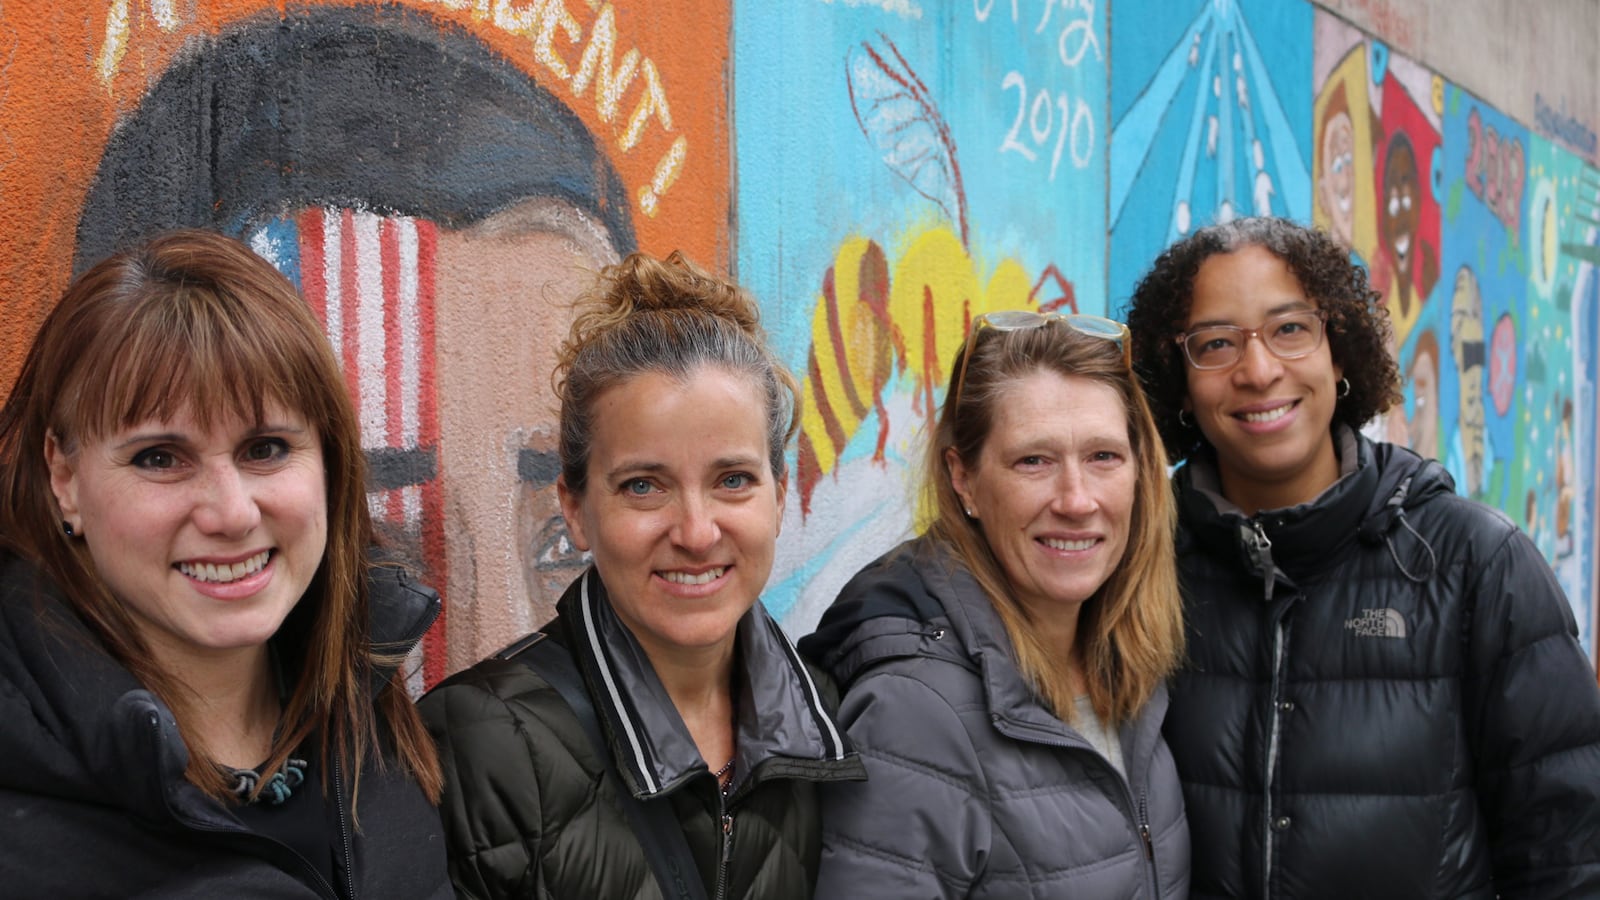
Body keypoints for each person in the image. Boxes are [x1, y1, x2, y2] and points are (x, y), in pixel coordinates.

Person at [1124, 215, 1600, 899]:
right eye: (1216, 343)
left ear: (1339, 350)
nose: (1258, 371)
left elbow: (1571, 858)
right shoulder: (1138, 562)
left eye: (1290, 329)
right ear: (1181, 379)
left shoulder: (1475, 564)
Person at [0, 229, 450, 898]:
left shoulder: (367, 704)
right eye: (159, 458)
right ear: (63, 479)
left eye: (265, 448)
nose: (232, 513)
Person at [419, 250, 865, 899]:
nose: (696, 532)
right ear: (574, 509)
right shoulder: (477, 743)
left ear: (778, 492)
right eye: (644, 486)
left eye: (733, 480)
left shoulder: (825, 716)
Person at [800, 310, 1190, 898]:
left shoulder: (1126, 662)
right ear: (964, 479)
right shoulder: (915, 712)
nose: (1077, 499)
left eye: (1104, 457)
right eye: (1034, 460)